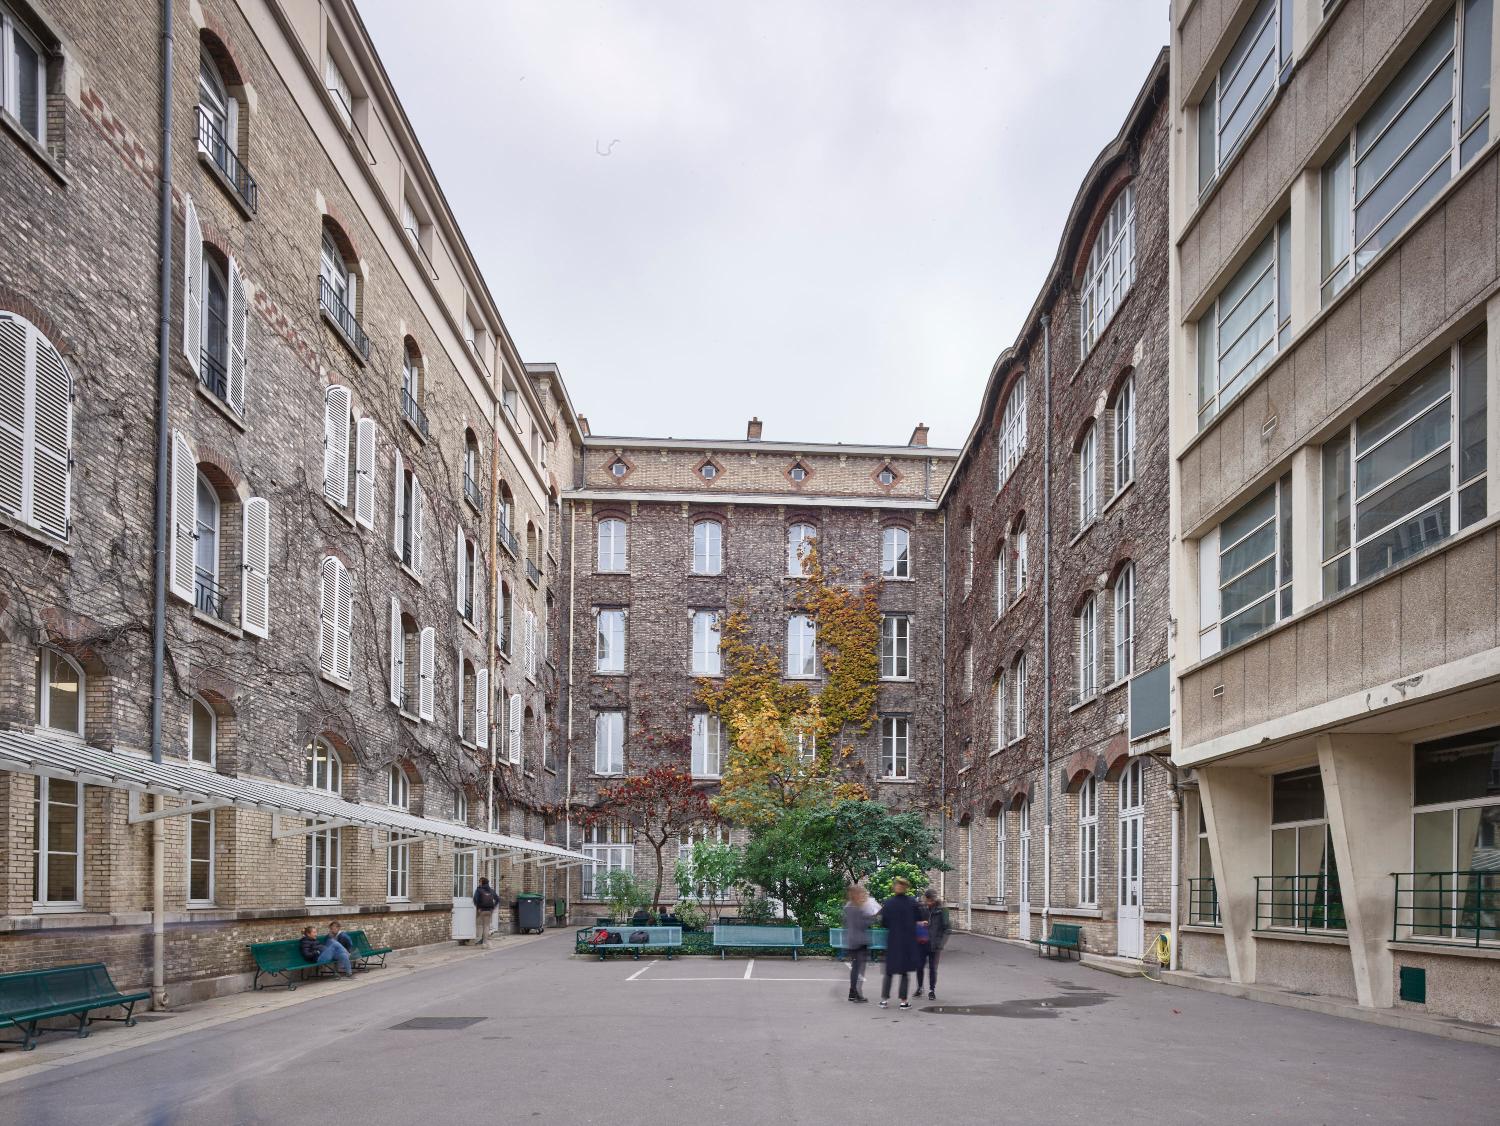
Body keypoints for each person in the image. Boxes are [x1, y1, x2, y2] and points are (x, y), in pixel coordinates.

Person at [876, 877, 921, 1009]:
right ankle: (903, 1001)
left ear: (895, 887)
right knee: (904, 972)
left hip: (893, 941)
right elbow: (918, 918)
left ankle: (884, 1000)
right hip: (907, 942)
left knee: (889, 972)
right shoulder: (912, 902)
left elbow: (884, 922)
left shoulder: (889, 903)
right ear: (906, 888)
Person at [916, 889, 950, 999]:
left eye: (931, 901)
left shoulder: (942, 910)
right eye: (927, 900)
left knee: (932, 968)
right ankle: (920, 987)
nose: (929, 903)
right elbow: (914, 923)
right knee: (919, 966)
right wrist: (920, 923)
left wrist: (941, 943)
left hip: (935, 943)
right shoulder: (921, 908)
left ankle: (932, 990)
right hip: (922, 942)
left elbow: (947, 929)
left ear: (934, 900)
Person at [842, 886, 872, 1003]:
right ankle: (856, 993)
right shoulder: (858, 908)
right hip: (860, 942)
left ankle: (852, 992)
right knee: (859, 969)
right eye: (861, 894)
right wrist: (869, 917)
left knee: (855, 968)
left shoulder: (848, 907)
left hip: (851, 941)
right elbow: (863, 925)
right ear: (856, 894)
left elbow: (846, 923)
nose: (863, 896)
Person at [473, 876, 499, 945]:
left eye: (479, 881)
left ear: (481, 882)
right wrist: (493, 907)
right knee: (486, 926)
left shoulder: (479, 890)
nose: (479, 883)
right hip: (489, 910)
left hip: (481, 910)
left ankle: (480, 940)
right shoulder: (491, 890)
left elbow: (475, 899)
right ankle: (485, 942)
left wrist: (478, 907)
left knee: (480, 925)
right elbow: (497, 899)